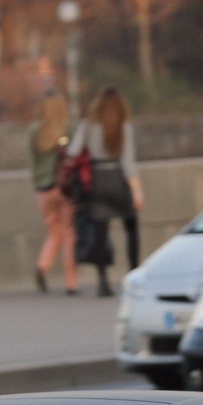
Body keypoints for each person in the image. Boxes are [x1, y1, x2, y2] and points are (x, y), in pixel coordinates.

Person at [67, 86, 144, 297]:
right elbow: (128, 164)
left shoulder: (88, 125)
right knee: (131, 227)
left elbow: (73, 151)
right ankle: (133, 274)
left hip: (97, 179)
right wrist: (136, 191)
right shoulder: (124, 127)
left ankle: (103, 281)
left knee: (101, 232)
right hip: (117, 178)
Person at [29, 90, 78, 296]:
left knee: (54, 231)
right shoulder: (67, 130)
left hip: (43, 190)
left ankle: (43, 266)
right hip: (64, 188)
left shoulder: (35, 132)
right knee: (69, 234)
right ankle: (71, 282)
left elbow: (34, 162)